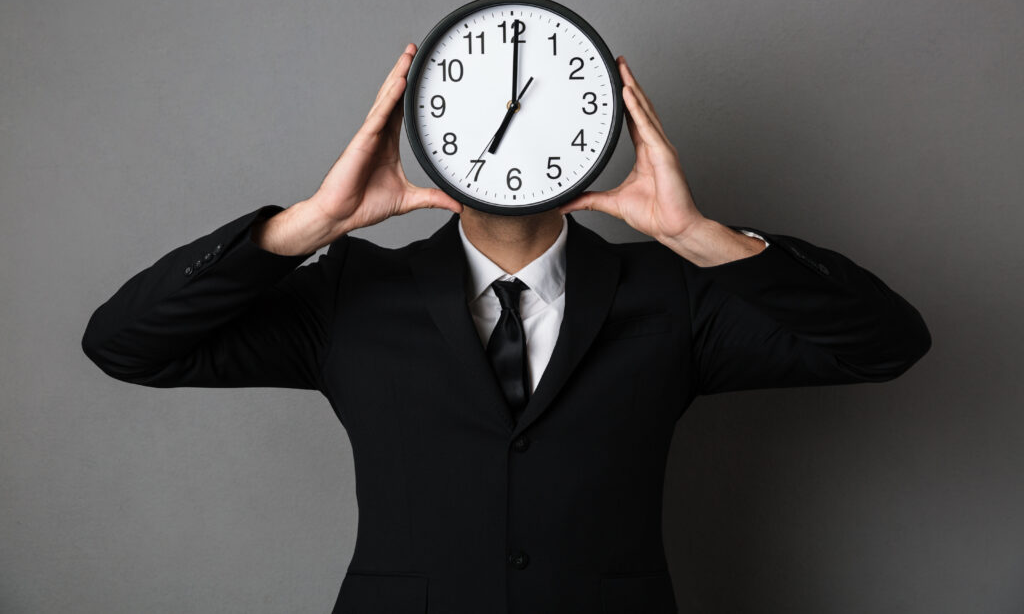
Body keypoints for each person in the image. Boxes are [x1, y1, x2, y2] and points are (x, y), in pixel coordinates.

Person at [81, 43, 932, 614]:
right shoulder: (351, 294)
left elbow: (885, 341)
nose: (519, 128)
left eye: (546, 109)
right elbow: (126, 342)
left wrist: (697, 236)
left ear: (593, 133)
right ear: (432, 134)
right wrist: (308, 224)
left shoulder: (672, 296)